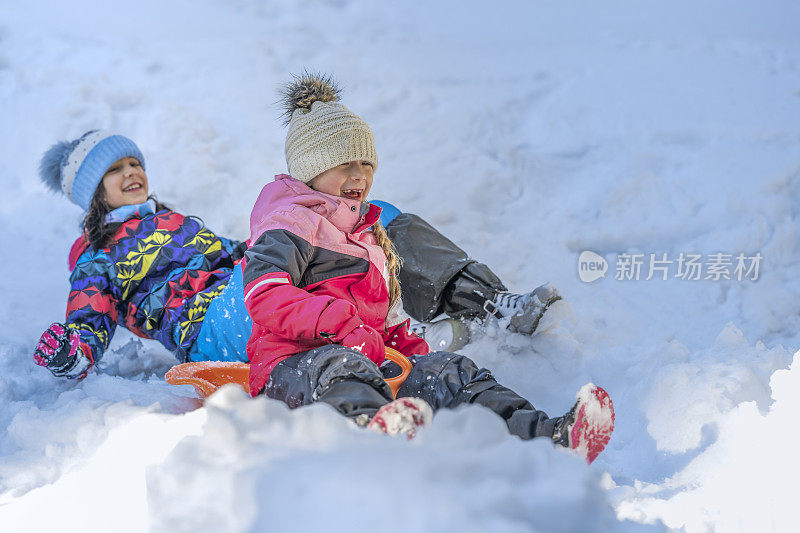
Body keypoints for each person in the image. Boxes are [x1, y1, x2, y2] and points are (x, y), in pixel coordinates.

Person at [241, 73, 614, 462]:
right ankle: (372, 437)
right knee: (342, 364)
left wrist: (422, 362)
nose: (359, 175)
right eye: (344, 163)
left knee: (450, 371)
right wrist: (343, 325)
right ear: (310, 168)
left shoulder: (367, 239)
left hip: (365, 365)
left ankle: (544, 440)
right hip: (292, 368)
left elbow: (388, 326)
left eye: (366, 162)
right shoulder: (289, 224)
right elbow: (265, 294)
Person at [31, 130, 559, 380]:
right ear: (91, 192)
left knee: (371, 215)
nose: (131, 172)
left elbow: (237, 254)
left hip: (241, 286)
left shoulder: (179, 223)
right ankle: (397, 337)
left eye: (133, 162)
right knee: (325, 238)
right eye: (114, 169)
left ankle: (484, 302)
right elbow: (88, 321)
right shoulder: (97, 256)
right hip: (214, 327)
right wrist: (70, 353)